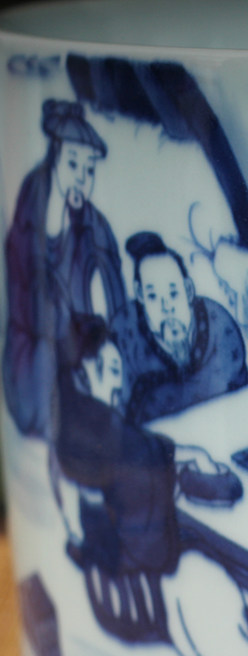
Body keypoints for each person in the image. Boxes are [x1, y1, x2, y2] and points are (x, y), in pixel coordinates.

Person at [54, 313, 248, 656]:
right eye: (111, 371)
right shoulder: (106, 437)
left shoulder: (76, 430)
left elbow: (143, 453)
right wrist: (178, 469)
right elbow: (140, 463)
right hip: (129, 592)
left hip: (107, 576)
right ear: (86, 373)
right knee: (200, 573)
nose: (119, 386)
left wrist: (176, 461)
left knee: (197, 550)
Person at [3, 99, 126, 438]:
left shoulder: (91, 223)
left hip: (81, 355)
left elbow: (115, 290)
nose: (82, 179)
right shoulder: (26, 225)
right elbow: (34, 313)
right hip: (36, 365)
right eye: (73, 164)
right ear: (54, 158)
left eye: (90, 170)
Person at [111, 231, 248, 423]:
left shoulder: (219, 326)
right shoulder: (126, 336)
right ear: (140, 295)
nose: (166, 307)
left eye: (174, 293)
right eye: (153, 297)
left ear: (188, 290)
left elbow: (242, 398)